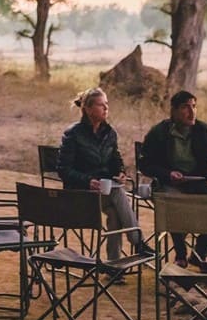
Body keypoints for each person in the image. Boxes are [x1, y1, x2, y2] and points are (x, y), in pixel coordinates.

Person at [57, 87, 148, 263]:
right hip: (80, 194)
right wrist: (88, 181)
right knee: (117, 192)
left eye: (107, 104)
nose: (106, 108)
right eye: (101, 105)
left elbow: (116, 161)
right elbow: (63, 170)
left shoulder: (110, 133)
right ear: (88, 109)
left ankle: (113, 266)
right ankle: (138, 242)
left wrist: (120, 173)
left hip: (102, 193)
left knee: (114, 214)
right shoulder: (73, 134)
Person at [140, 90, 207, 268]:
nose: (192, 112)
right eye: (186, 107)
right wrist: (168, 174)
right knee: (173, 201)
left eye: (194, 107)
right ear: (174, 110)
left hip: (195, 182)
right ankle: (180, 253)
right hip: (168, 183)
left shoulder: (203, 131)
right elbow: (145, 164)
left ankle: (200, 254)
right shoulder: (159, 132)